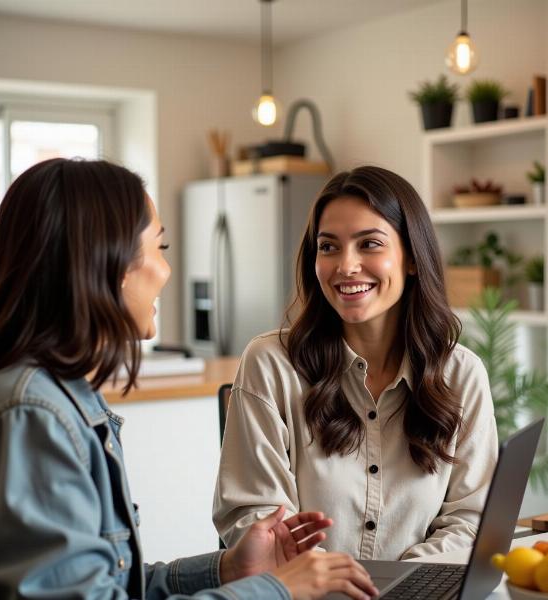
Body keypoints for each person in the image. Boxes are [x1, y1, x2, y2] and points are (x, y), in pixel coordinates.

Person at [0, 158, 378, 600]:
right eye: (160, 248)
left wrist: (230, 569)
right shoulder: (31, 418)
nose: (167, 271)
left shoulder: (56, 401)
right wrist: (275, 591)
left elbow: (111, 588)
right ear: (108, 264)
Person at [213, 166, 499, 561]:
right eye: (328, 247)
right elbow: (254, 516)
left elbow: (471, 521)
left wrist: (401, 586)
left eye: (369, 244)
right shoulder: (270, 366)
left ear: (412, 259)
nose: (345, 266)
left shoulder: (461, 375)